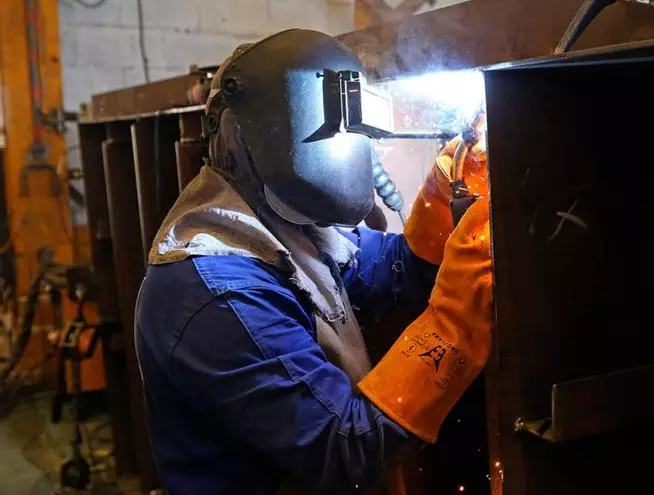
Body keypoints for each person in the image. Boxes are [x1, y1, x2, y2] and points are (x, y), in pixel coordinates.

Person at [134, 29, 493, 495]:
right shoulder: (220, 294)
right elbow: (348, 450)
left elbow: (399, 272)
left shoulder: (289, 227)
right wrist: (457, 324)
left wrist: (444, 191)